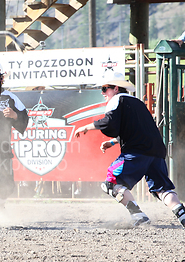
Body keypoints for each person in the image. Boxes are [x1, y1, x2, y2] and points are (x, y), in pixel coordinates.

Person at [74, 73, 185, 228]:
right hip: (156, 151)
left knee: (110, 183)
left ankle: (138, 216)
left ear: (116, 89)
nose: (103, 92)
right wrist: (113, 142)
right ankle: (182, 215)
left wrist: (86, 126)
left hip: (137, 151)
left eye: (105, 88)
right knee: (162, 188)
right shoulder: (137, 102)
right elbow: (137, 129)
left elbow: (109, 123)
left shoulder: (116, 100)